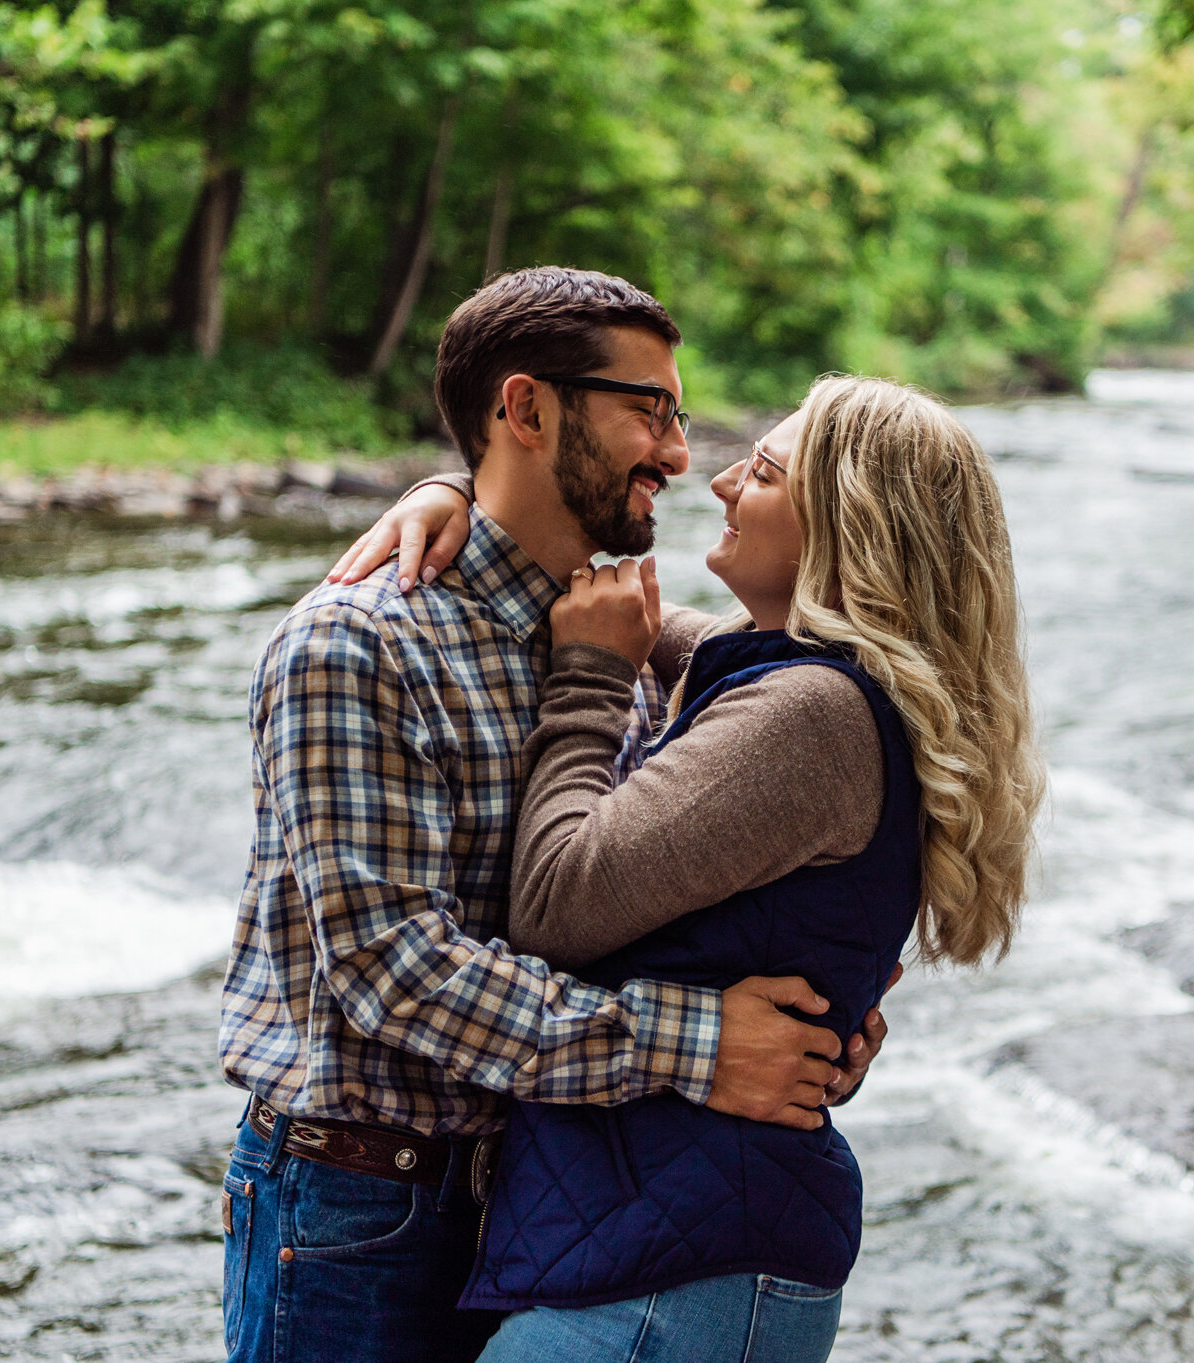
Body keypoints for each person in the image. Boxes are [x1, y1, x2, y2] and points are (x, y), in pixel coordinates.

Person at [219, 268, 892, 1363]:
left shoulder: (614, 636)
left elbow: (666, 890)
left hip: (545, 1197)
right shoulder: (355, 643)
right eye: (648, 411)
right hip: (356, 1207)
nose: (678, 455)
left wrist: (822, 1020)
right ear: (525, 410)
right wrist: (699, 1043)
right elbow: (395, 970)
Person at [336, 373, 1042, 1360]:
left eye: (758, 470)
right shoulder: (801, 675)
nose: (714, 480)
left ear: (849, 528)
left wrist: (588, 681)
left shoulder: (808, 717)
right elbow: (596, 602)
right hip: (673, 1246)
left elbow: (554, 905)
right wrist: (459, 495)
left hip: (669, 1272)